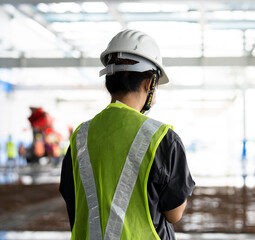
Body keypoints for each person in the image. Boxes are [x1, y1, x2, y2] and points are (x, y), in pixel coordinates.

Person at [59, 29, 195, 240]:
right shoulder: (162, 138)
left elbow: (73, 202)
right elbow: (174, 213)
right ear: (149, 83)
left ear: (108, 82)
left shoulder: (80, 137)